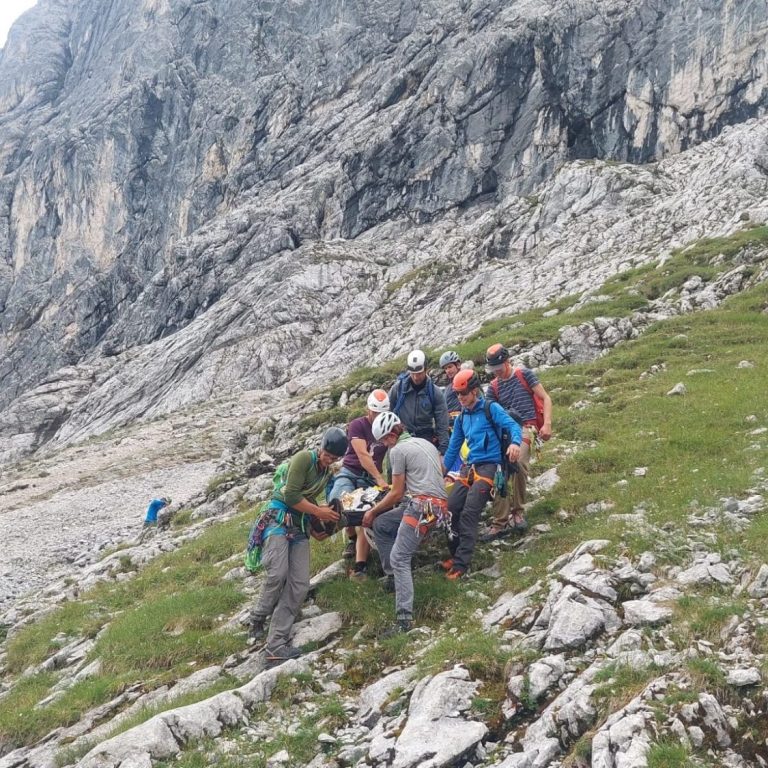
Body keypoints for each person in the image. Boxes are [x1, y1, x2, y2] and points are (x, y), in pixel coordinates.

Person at [248, 427, 347, 665]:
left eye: (334, 458)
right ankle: (258, 616)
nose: (329, 460)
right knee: (277, 573)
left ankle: (276, 645)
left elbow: (310, 500)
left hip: (300, 526)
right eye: (327, 455)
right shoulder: (304, 458)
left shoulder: (326, 473)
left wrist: (322, 524)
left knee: (300, 585)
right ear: (321, 448)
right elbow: (291, 495)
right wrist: (319, 512)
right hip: (278, 520)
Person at [362, 412, 449, 635]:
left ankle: (403, 619)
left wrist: (372, 510)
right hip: (439, 507)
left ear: (392, 435)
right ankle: (394, 578)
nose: (384, 445)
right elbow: (440, 472)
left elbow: (397, 493)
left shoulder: (397, 451)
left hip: (421, 507)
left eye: (384, 440)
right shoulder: (426, 443)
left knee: (399, 557)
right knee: (382, 525)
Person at [441, 369, 522, 580]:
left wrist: (515, 443)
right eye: (457, 394)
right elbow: (453, 448)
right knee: (451, 509)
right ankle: (455, 554)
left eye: (463, 393)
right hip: (470, 467)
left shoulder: (490, 408)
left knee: (469, 513)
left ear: (474, 391)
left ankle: (461, 565)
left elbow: (512, 425)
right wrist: (441, 472)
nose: (460, 398)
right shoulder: (461, 418)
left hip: (490, 467)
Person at [483, 343, 553, 540]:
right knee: (499, 469)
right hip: (503, 431)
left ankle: (518, 511)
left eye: (499, 367)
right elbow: (488, 411)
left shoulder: (525, 375)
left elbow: (545, 398)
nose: (496, 372)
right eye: (493, 369)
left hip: (526, 427)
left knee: (519, 462)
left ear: (507, 362)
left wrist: (547, 424)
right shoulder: (494, 387)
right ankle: (499, 521)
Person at [328, 389, 390, 579]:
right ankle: (352, 539)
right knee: (340, 503)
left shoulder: (387, 426)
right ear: (368, 410)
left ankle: (360, 565)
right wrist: (379, 478)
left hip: (369, 479)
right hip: (351, 472)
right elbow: (363, 455)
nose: (377, 417)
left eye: (381, 413)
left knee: (366, 515)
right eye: (375, 412)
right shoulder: (357, 425)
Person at [388, 349, 449, 454]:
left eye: (419, 373)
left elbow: (442, 423)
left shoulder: (435, 393)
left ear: (426, 369)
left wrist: (443, 449)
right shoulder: (398, 389)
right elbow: (388, 412)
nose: (416, 377)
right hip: (402, 436)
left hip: (425, 437)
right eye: (413, 373)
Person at [439, 350, 463, 477]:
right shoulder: (448, 388)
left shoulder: (467, 381)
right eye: (445, 368)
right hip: (451, 429)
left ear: (458, 365)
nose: (448, 371)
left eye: (450, 367)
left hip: (464, 426)